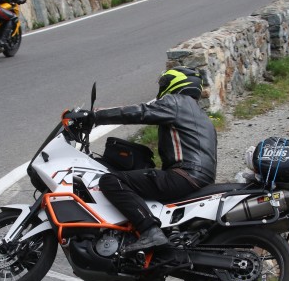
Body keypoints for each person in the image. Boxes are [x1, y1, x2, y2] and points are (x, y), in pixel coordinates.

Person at [66, 67, 218, 253]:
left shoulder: (177, 102)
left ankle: (149, 230)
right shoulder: (203, 117)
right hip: (198, 178)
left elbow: (141, 112)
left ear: (176, 83)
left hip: (184, 175)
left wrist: (95, 116)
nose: (162, 88)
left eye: (164, 83)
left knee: (112, 180)